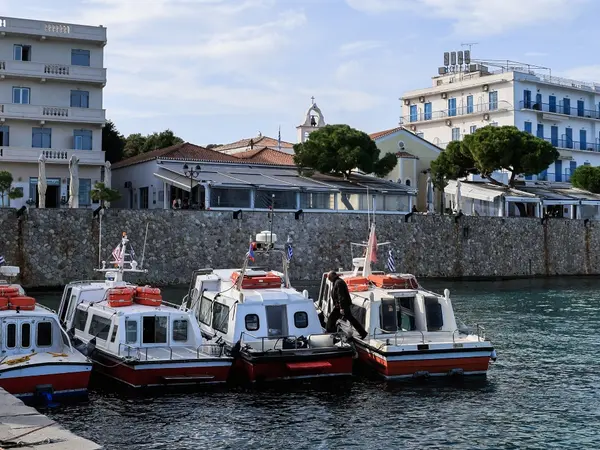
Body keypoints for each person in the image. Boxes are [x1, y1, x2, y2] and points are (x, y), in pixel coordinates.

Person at [325, 271, 368, 339]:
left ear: (333, 276)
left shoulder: (338, 283)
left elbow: (341, 296)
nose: (329, 279)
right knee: (350, 319)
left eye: (329, 277)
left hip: (341, 306)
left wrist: (342, 308)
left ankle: (330, 333)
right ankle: (363, 333)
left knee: (331, 319)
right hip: (341, 306)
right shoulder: (337, 282)